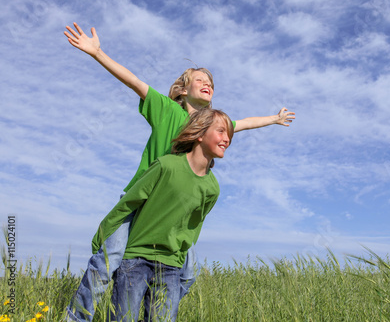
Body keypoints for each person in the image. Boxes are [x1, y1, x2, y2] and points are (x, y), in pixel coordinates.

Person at [63, 22, 295, 322]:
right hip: (140, 198)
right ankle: (76, 318)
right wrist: (97, 53)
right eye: (200, 79)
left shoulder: (211, 126)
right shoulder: (166, 109)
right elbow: (133, 81)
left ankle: (149, 306)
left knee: (185, 275)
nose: (207, 83)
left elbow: (244, 123)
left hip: (170, 212)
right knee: (108, 262)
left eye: (211, 81)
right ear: (183, 90)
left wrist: (274, 119)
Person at [97, 108, 232, 321]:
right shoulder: (166, 166)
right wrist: (101, 239)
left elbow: (193, 227)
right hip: (135, 260)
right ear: (200, 133)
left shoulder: (212, 188)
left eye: (229, 135)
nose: (227, 139)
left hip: (170, 266)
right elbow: (127, 204)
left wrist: (178, 257)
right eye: (221, 132)